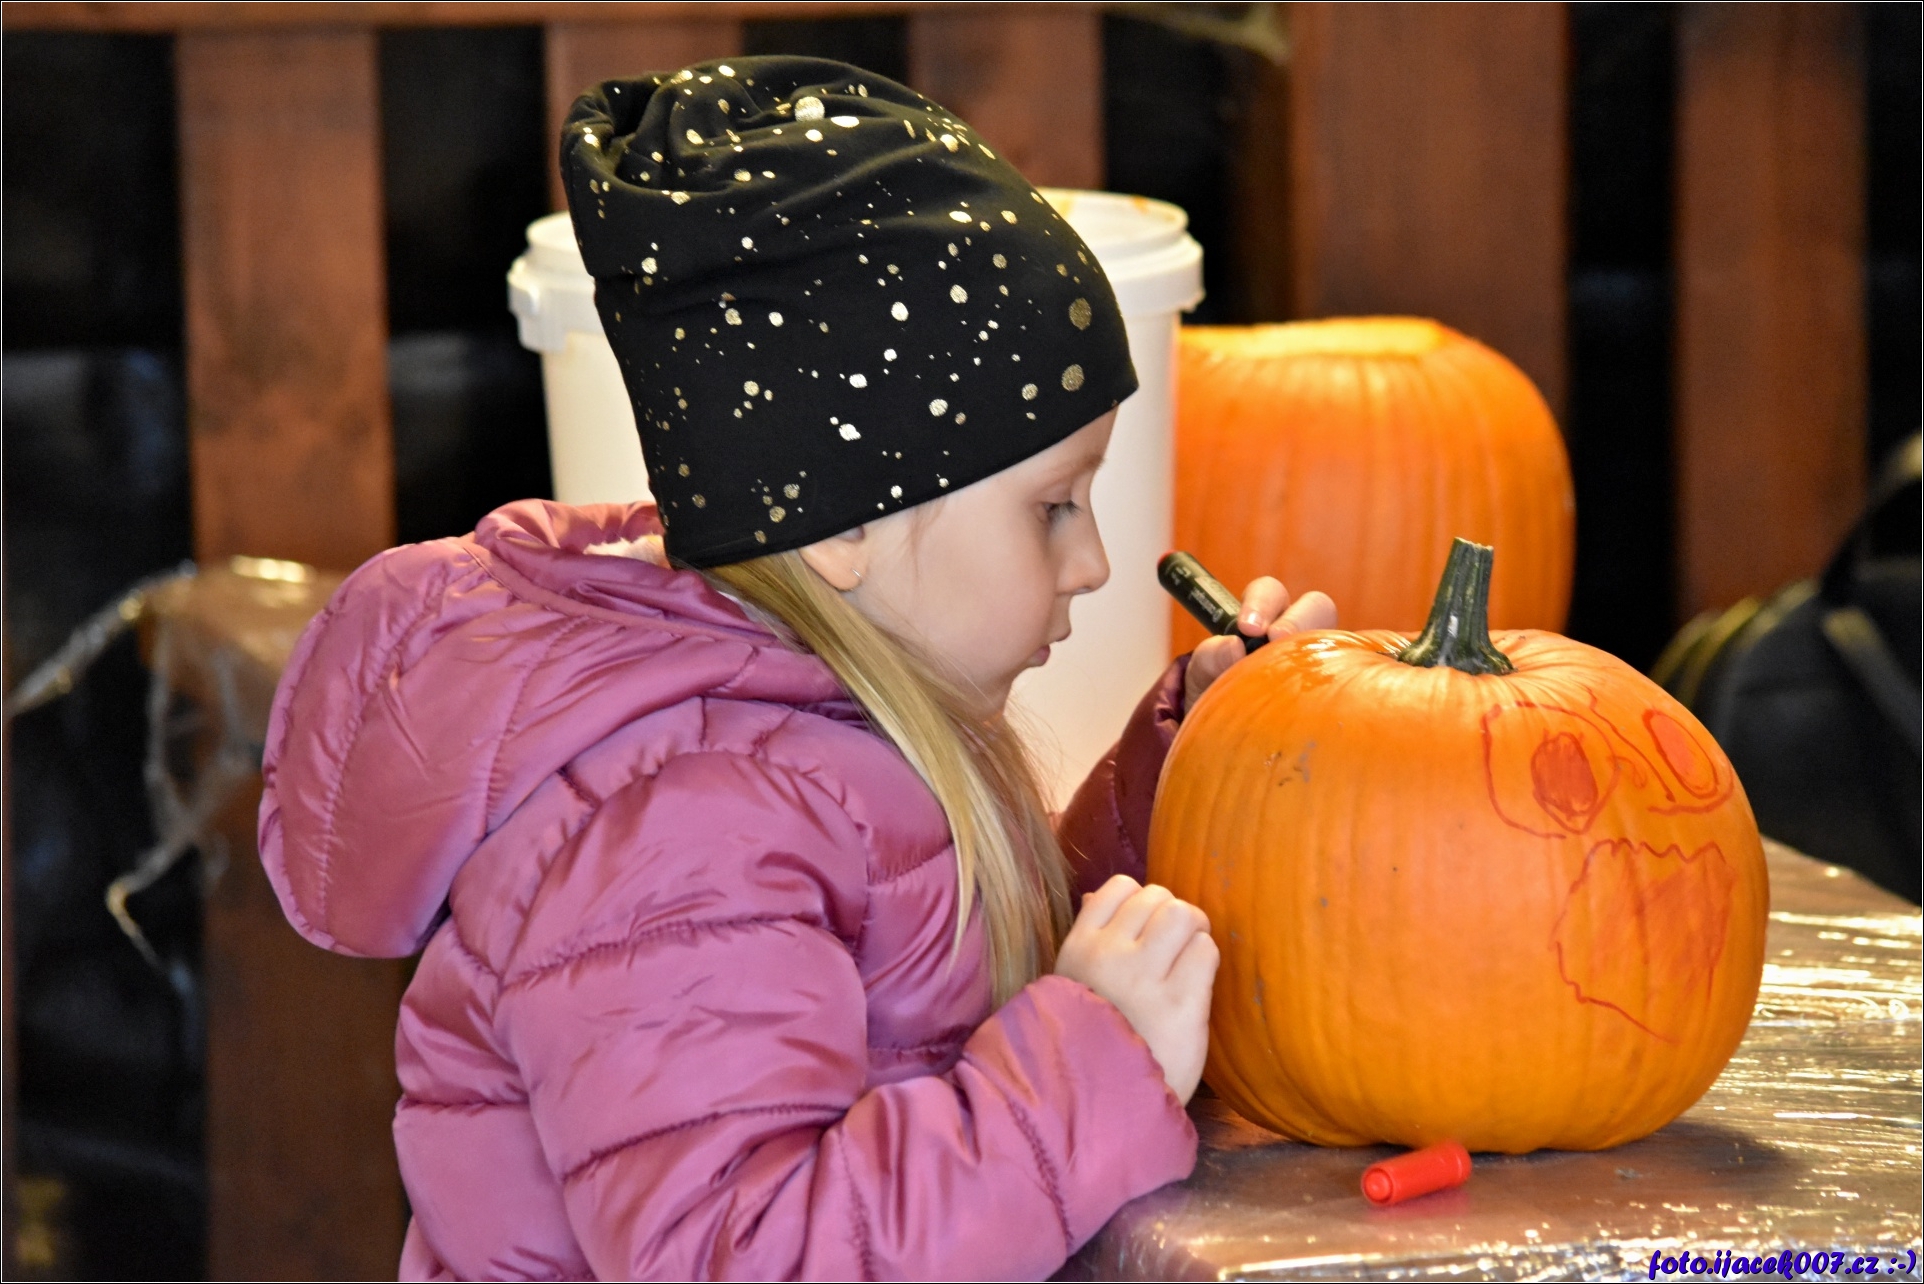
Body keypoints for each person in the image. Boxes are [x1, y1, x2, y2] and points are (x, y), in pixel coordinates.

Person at [259, 56, 1335, 1280]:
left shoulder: (819, 731)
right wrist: (1085, 1065)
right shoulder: (685, 835)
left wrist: (1192, 759)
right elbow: (747, 1254)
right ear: (842, 528)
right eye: (1051, 506)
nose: (1092, 563)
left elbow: (957, 975)